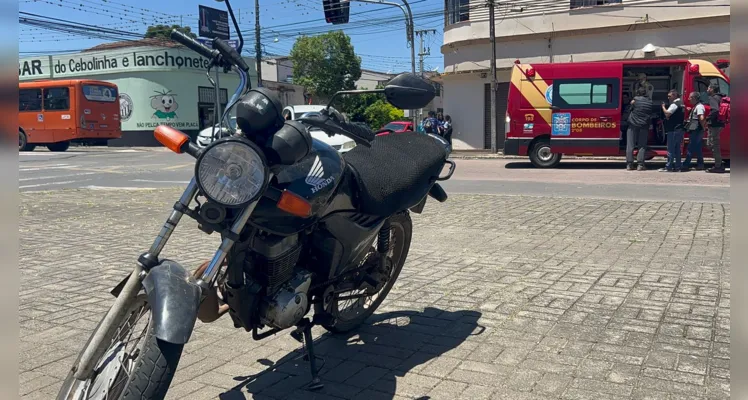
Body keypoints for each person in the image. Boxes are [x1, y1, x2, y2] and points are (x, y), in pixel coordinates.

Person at [626, 86, 653, 171]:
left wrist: (631, 103)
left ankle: (629, 164)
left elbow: (630, 109)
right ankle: (640, 165)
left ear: (637, 93)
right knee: (642, 145)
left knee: (630, 145)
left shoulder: (635, 100)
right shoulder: (649, 101)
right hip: (644, 125)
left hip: (633, 124)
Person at [659, 89, 685, 172]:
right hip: (679, 129)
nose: (668, 97)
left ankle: (669, 166)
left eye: (669, 96)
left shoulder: (675, 104)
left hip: (673, 129)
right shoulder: (681, 103)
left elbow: (667, 114)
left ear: (674, 95)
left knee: (670, 149)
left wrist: (663, 107)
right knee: (677, 149)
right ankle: (678, 166)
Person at [682, 91, 706, 171]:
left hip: (696, 130)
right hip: (696, 130)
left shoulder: (699, 107)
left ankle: (686, 164)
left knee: (691, 146)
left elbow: (701, 118)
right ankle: (700, 164)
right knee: (698, 146)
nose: (688, 99)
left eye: (690, 97)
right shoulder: (696, 106)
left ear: (695, 98)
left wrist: (704, 128)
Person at [705, 82, 726, 173]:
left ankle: (718, 165)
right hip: (720, 124)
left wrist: (708, 118)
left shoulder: (713, 98)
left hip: (715, 125)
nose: (707, 90)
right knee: (712, 144)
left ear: (712, 89)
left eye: (708, 88)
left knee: (714, 145)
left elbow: (715, 110)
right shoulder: (720, 97)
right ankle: (719, 163)